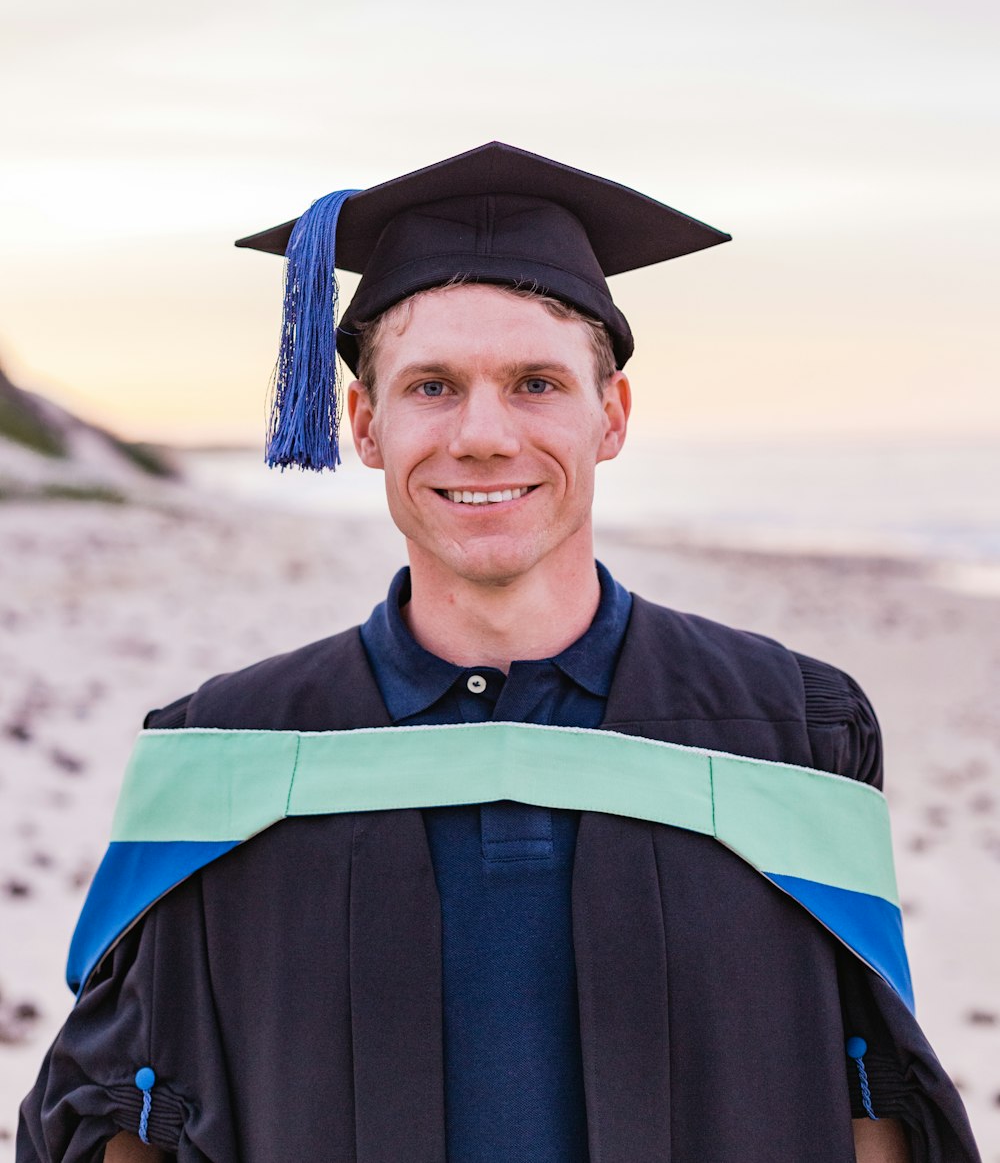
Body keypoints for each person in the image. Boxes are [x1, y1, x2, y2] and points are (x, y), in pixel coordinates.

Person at [19, 142, 979, 1163]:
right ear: (363, 422)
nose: (482, 435)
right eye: (432, 386)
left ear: (607, 417)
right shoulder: (221, 757)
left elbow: (874, 1111)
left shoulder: (790, 733)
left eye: (534, 383)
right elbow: (128, 1128)